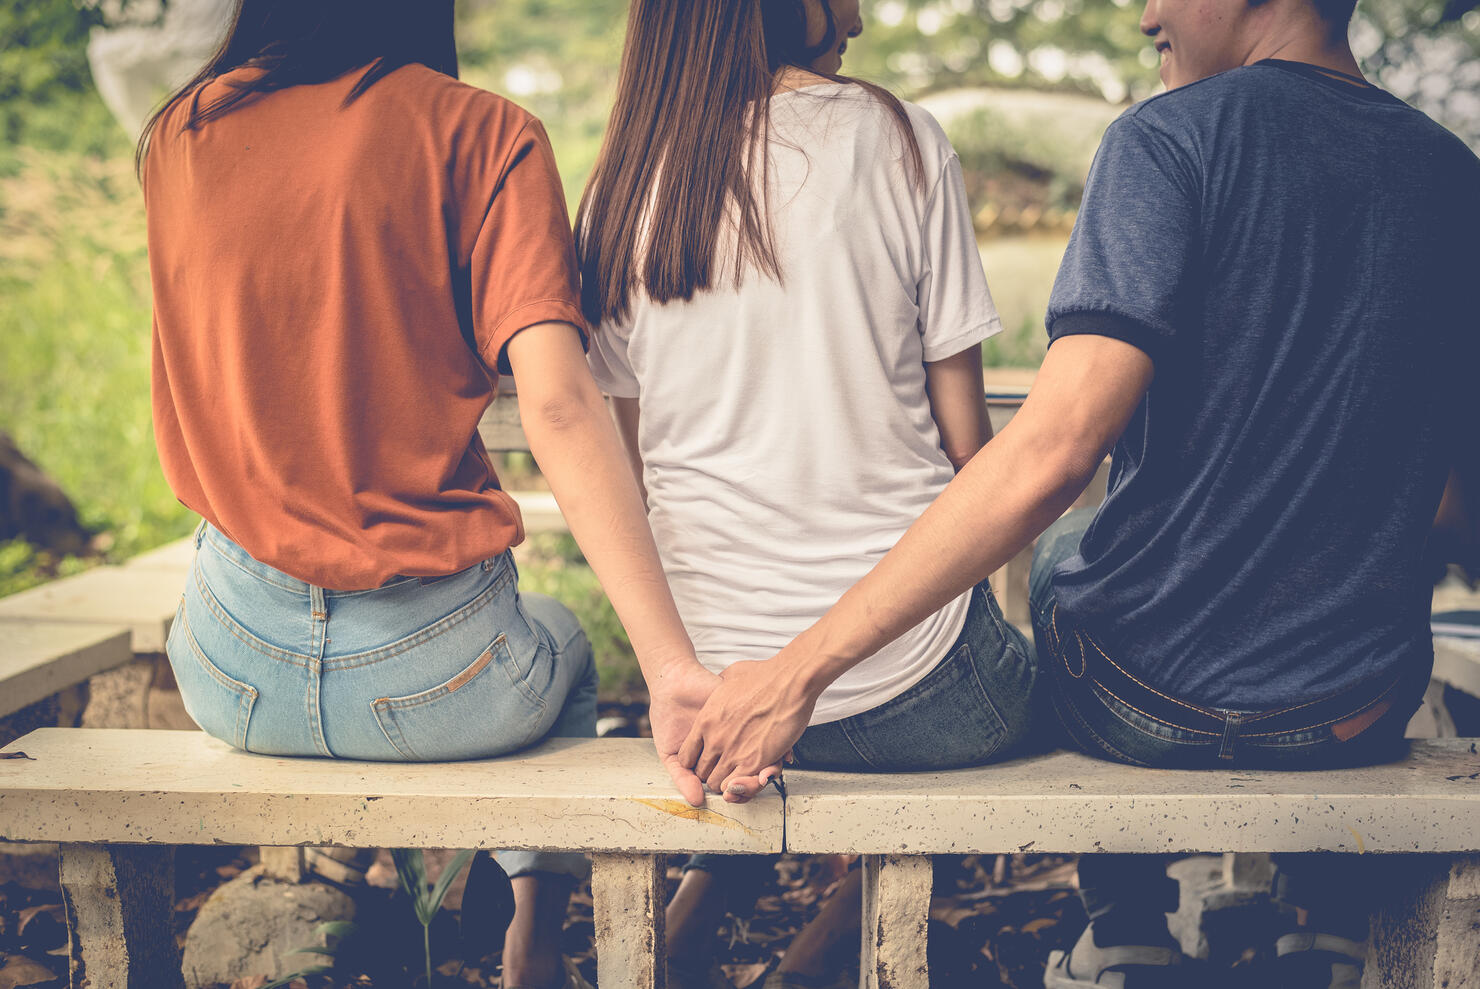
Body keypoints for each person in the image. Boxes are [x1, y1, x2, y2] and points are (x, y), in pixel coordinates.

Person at [678, 0, 1480, 986]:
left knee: (1069, 560)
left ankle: (1127, 925)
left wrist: (801, 666)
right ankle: (1317, 919)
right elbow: (1455, 509)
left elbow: (1057, 448)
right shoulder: (1453, 178)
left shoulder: (1165, 142)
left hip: (1147, 707)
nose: (1147, 13)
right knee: (1352, 575)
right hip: (1353, 713)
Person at [139, 3, 718, 987]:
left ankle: (367, 884)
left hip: (230, 669)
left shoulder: (179, 134)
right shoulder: (483, 135)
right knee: (565, 644)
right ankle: (530, 937)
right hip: (436, 683)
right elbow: (560, 405)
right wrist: (670, 668)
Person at [575, 1, 1038, 984]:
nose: (861, 15)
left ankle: (705, 913)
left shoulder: (621, 185)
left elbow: (632, 471)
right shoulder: (900, 137)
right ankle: (815, 961)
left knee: (781, 729)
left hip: (703, 691)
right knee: (1027, 674)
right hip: (917, 694)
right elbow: (971, 453)